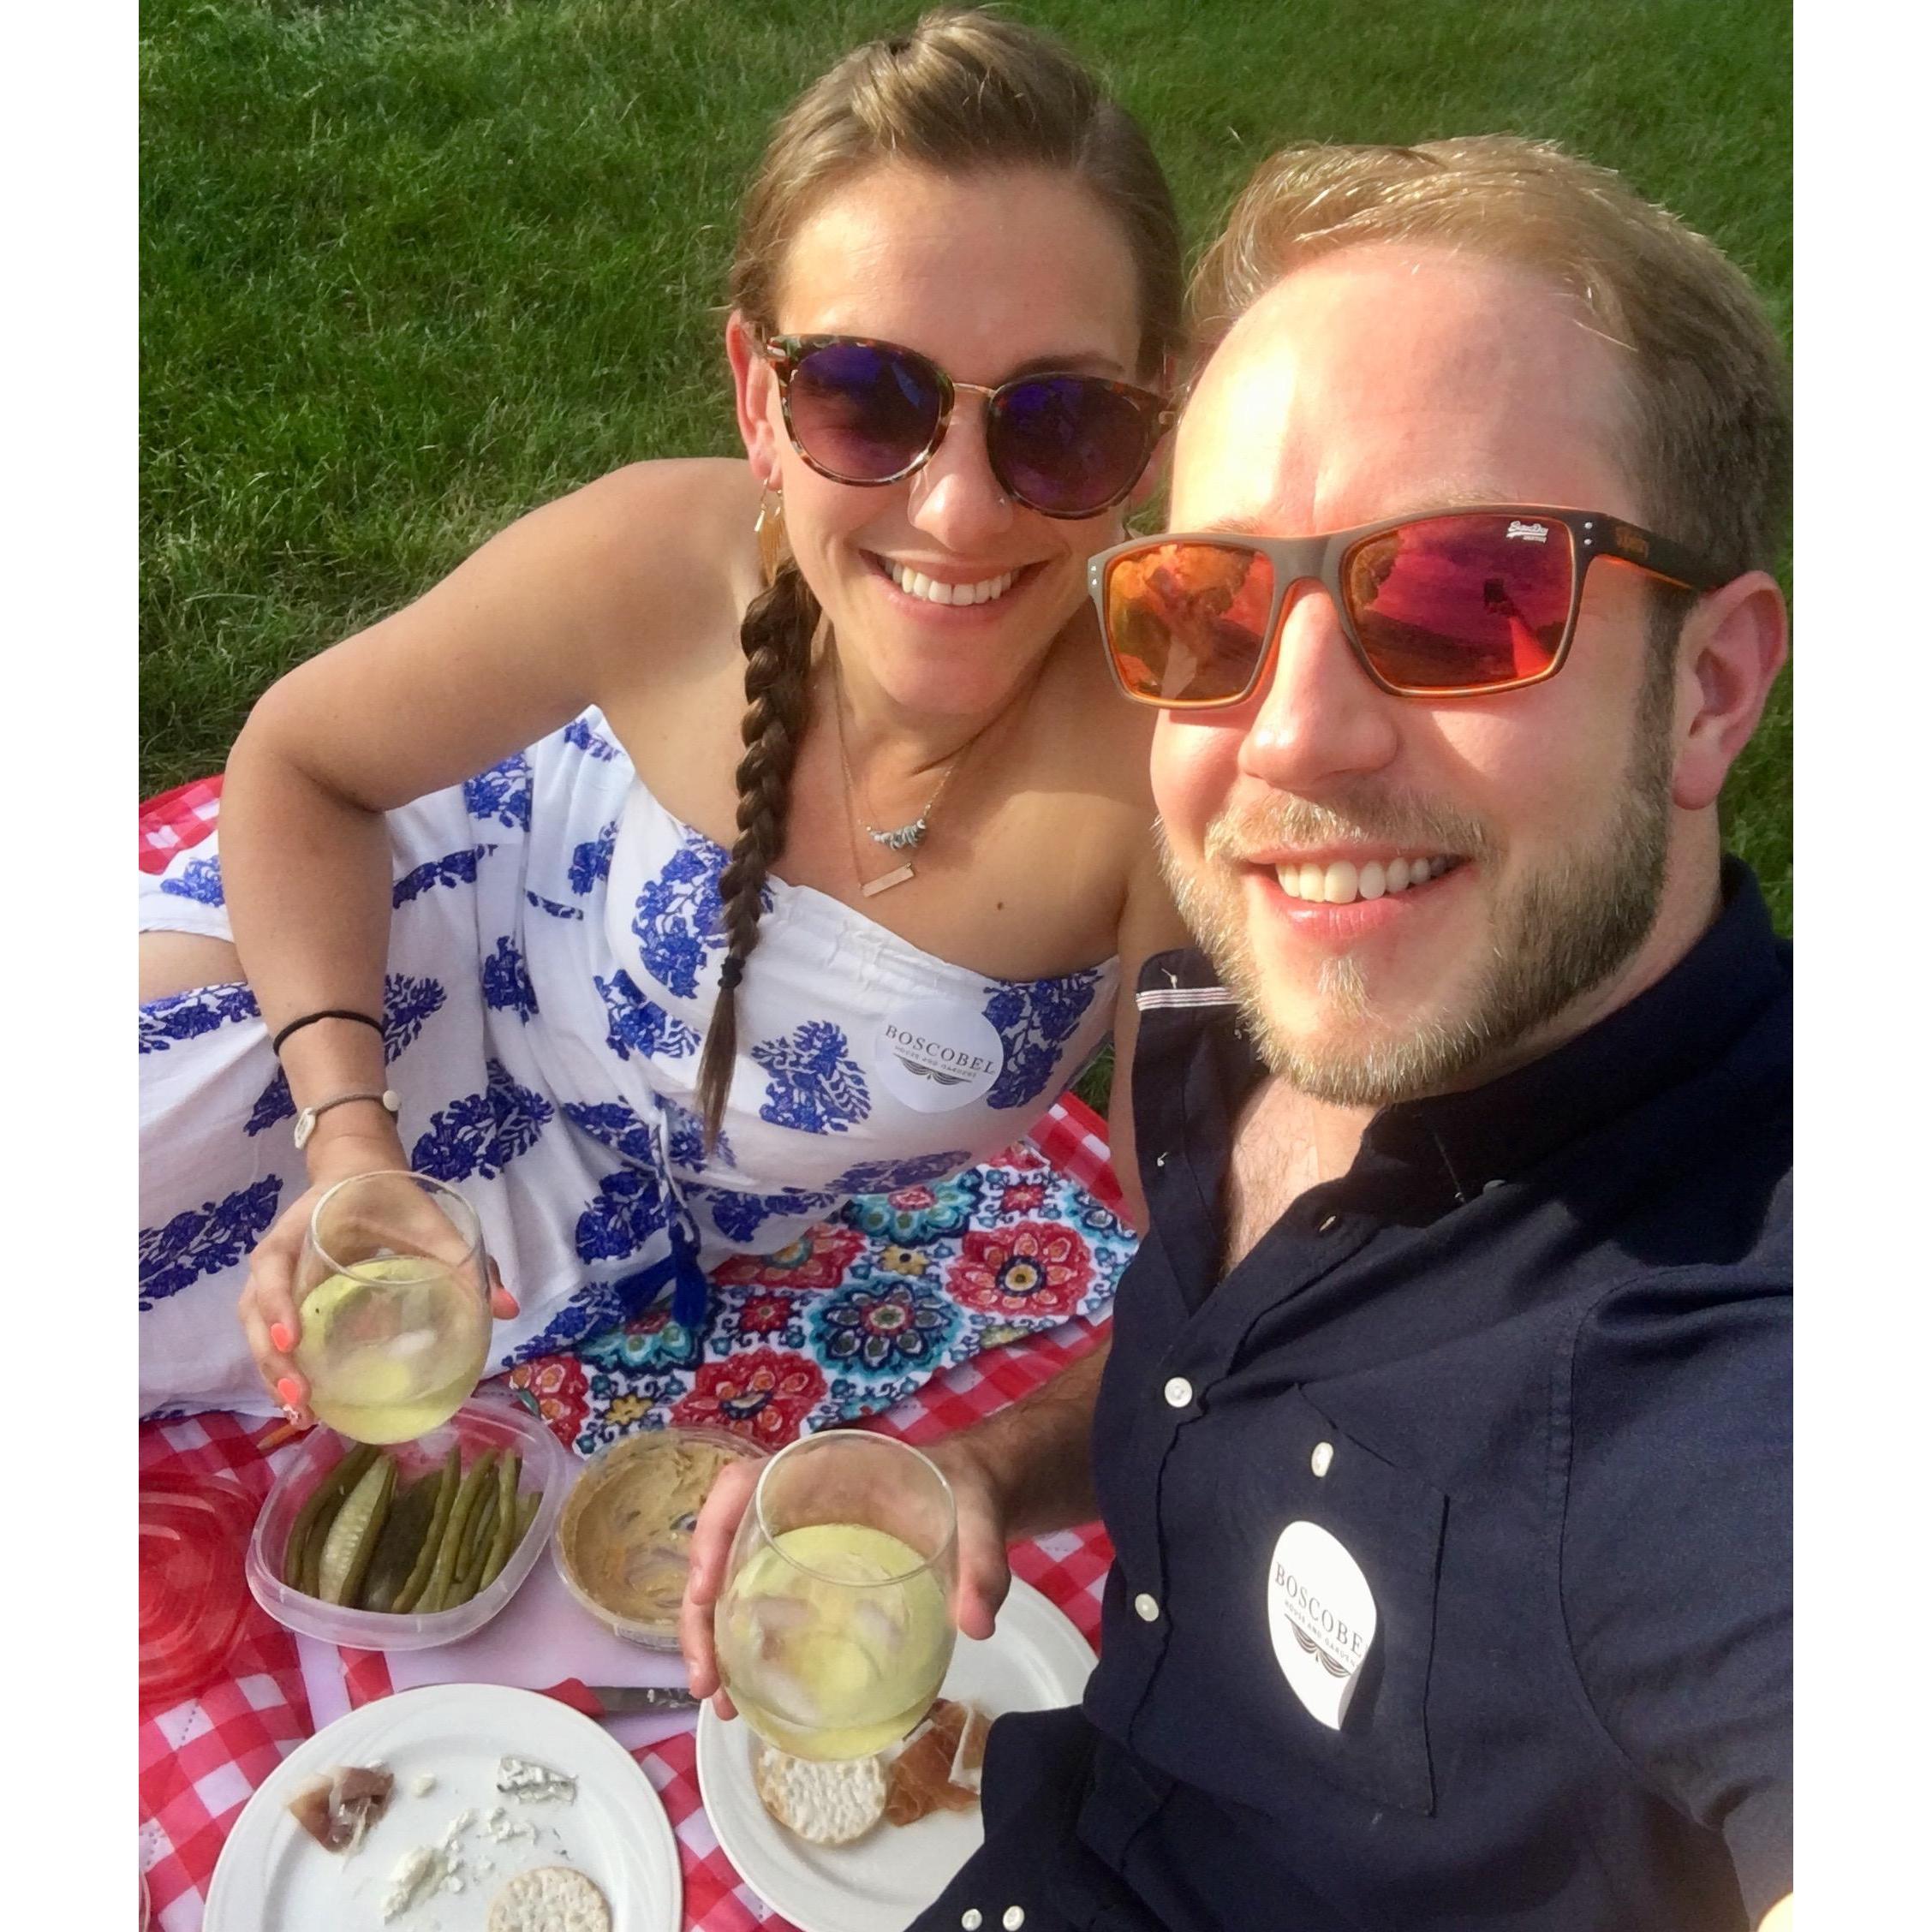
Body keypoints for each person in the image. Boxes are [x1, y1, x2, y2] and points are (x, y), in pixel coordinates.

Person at [683, 134, 1792, 1930]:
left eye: (1464, 599)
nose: (1287, 738)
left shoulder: (1737, 1372)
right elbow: (1210, 1367)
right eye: (1209, 610)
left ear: (1713, 688)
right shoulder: (1223, 1000)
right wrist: (980, 1468)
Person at [137, 7, 1190, 1422]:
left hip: (591, 1241)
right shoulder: (653, 562)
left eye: (1061, 418)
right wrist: (349, 1134)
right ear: (761, 397)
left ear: (1156, 431)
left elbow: (1218, 1268)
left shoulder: (1181, 774)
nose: (958, 506)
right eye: (869, 399)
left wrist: (985, 1470)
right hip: (352, 961)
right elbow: (302, 764)